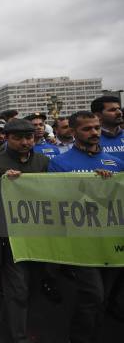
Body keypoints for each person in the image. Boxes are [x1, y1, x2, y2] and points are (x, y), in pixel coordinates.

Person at [47, 111, 123, 343]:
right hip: (80, 240)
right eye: (87, 129)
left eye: (97, 128)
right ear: (72, 130)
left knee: (104, 297)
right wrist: (90, 185)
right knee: (93, 295)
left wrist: (109, 186)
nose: (94, 133)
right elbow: (55, 200)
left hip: (112, 239)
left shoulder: (117, 163)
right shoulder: (59, 163)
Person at [0, 118, 50, 343]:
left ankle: (17, 322)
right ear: (7, 139)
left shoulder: (43, 161)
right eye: (18, 138)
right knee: (18, 288)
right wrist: (3, 183)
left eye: (28, 137)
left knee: (35, 285)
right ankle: (18, 336)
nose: (24, 142)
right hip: (11, 237)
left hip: (40, 234)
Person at [91, 95, 124, 160]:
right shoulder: (89, 139)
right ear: (98, 115)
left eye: (119, 109)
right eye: (112, 110)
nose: (119, 113)